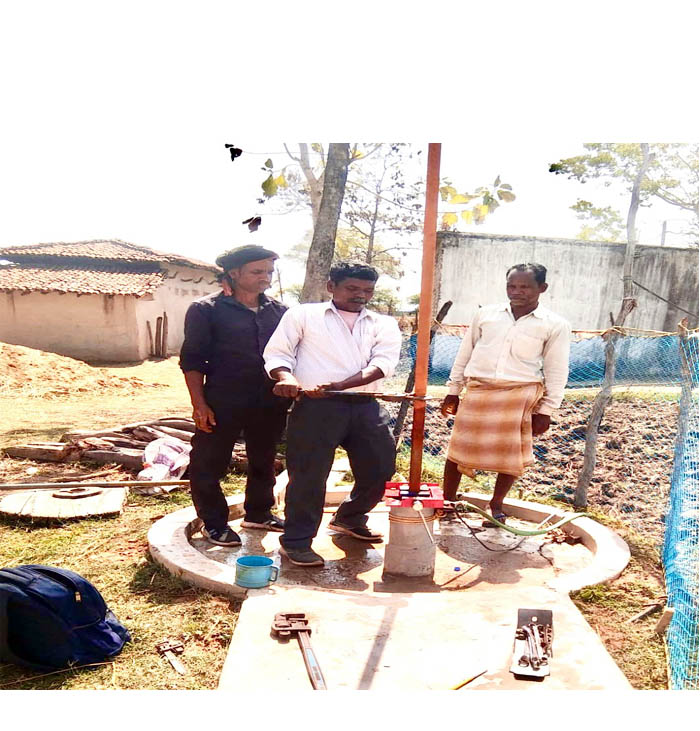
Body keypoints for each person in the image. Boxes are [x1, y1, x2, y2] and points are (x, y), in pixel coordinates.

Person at [263, 262, 402, 566]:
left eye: (367, 290)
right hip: (315, 407)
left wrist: (340, 385)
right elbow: (277, 354)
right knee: (309, 475)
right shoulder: (303, 315)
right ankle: (296, 541)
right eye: (352, 288)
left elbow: (383, 364)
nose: (360, 295)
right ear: (331, 286)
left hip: (365, 404)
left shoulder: (384, 323)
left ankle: (349, 518)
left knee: (380, 468)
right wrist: (286, 378)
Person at [440, 263, 571, 525]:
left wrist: (546, 411)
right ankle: (448, 501)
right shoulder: (486, 315)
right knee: (458, 448)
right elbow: (466, 352)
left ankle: (496, 504)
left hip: (519, 394)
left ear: (542, 288)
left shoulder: (555, 325)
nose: (516, 291)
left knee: (511, 455)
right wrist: (454, 391)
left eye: (525, 286)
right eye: (512, 286)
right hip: (478, 391)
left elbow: (557, 369)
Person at [180, 245, 289, 546]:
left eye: (269, 272)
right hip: (222, 400)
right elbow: (192, 360)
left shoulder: (280, 312)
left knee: (264, 459)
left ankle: (259, 513)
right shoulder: (206, 310)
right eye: (257, 272)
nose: (265, 277)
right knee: (208, 462)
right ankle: (213, 523)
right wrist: (199, 404)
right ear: (234, 273)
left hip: (269, 400)